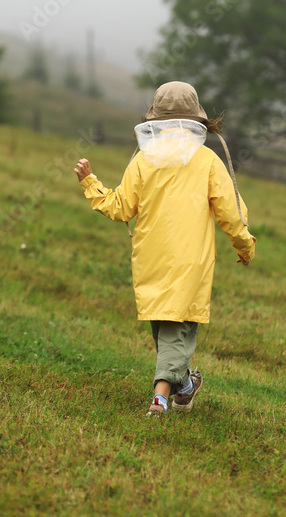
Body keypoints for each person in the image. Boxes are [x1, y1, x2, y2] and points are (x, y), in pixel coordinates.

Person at [74, 81, 256, 417]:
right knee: (172, 329)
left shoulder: (145, 160)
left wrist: (90, 182)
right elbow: (232, 214)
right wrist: (245, 247)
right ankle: (165, 396)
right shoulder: (208, 161)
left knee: (167, 327)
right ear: (196, 121)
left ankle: (177, 387)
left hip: (150, 260)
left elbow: (119, 208)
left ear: (155, 120)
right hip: (190, 263)